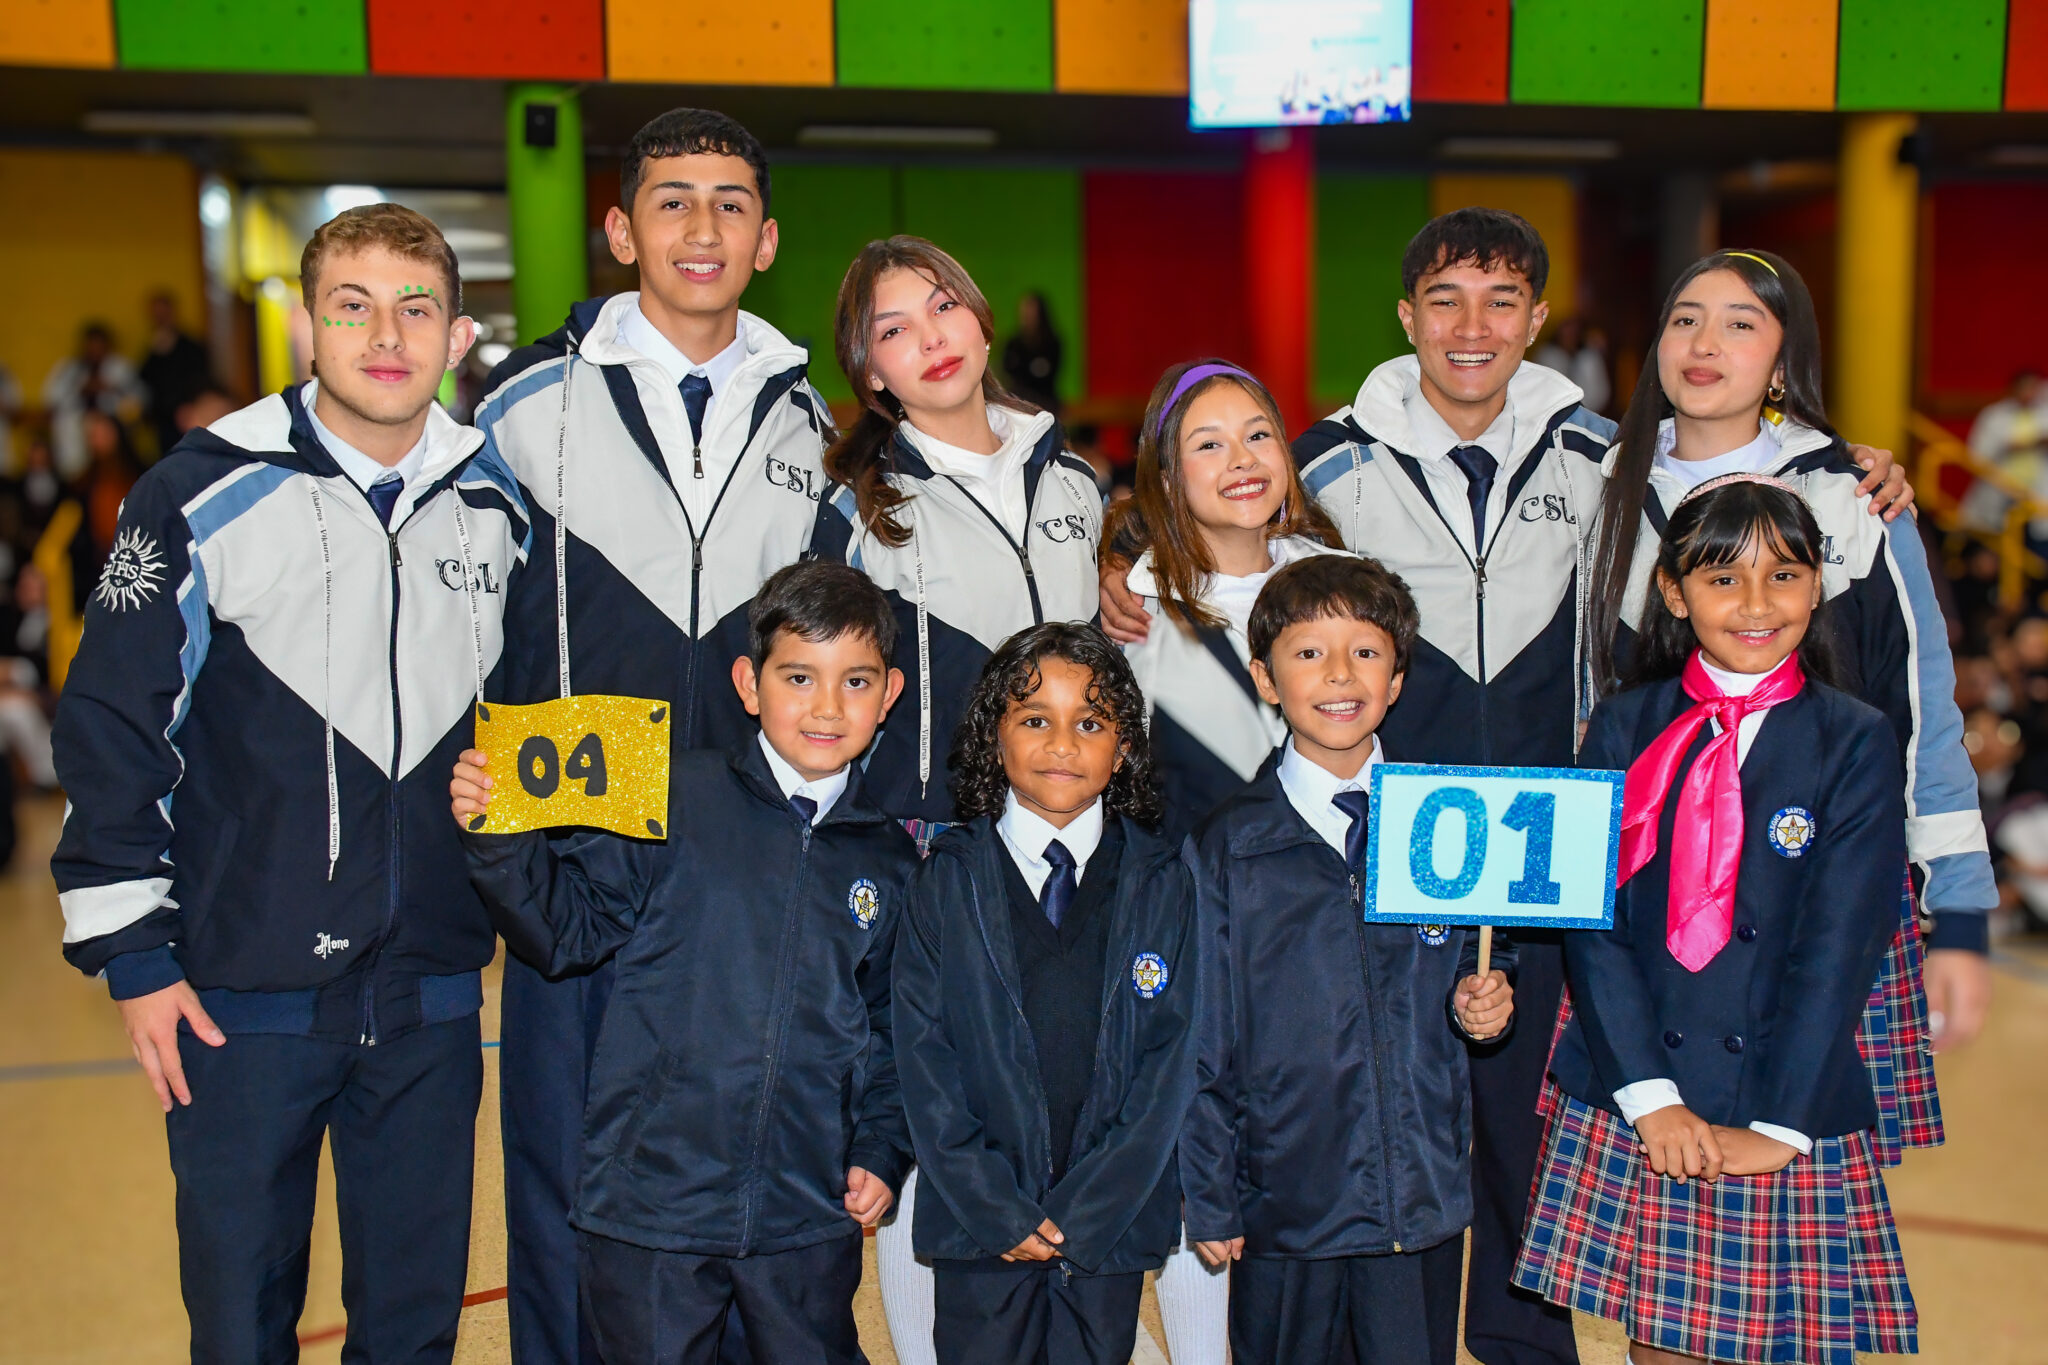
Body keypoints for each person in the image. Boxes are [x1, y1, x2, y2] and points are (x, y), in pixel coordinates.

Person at [1097, 208, 1913, 1365]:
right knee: (1360, 1120)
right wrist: (1123, 553)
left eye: (1499, 302)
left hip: (1553, 849)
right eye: (1442, 300)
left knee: (1524, 1155)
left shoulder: (1607, 458)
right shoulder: (1329, 457)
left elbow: (1729, 531)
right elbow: (1227, 533)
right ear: (1402, 318)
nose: (1469, 327)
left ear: (1536, 319)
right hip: (1382, 854)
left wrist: (1842, 465)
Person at [49, 202, 525, 1361]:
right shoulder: (202, 492)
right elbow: (114, 719)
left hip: (429, 1000)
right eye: (350, 305)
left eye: (417, 309)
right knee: (241, 1323)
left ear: (457, 339)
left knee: (410, 1332)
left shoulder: (497, 502)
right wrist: (137, 956)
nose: (384, 335)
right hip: (235, 1002)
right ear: (307, 328)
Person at [472, 107, 835, 1365]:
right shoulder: (519, 407)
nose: (701, 226)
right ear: (620, 227)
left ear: (768, 237)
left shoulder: (817, 432)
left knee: (745, 1198)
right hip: (582, 862)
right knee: (570, 1197)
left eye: (731, 202)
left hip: (745, 882)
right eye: (671, 199)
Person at [451, 561, 918, 1364]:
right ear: (748, 682)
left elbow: (894, 1029)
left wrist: (880, 1148)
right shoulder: (669, 797)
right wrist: (498, 840)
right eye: (799, 676)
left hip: (804, 1221)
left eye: (856, 681)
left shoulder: (893, 861)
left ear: (889, 694)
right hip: (650, 1210)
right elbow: (567, 932)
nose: (826, 706)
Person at [1589, 250, 1993, 1136]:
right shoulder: (1595, 485)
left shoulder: (1850, 497)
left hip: (1816, 893)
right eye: (1685, 318)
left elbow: (1922, 709)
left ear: (1783, 360)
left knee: (1789, 1226)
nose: (1705, 343)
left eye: (1742, 323)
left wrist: (1958, 913)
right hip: (1636, 906)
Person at [1516, 475, 1916, 1365]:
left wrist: (1776, 1126)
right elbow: (1594, 924)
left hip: (1781, 1091)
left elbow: (1838, 948)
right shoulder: (1621, 725)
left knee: (1785, 1347)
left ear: (1819, 583)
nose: (1756, 604)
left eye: (1784, 575)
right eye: (1723, 578)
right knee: (1659, 1349)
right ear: (1673, 590)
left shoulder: (1855, 739)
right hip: (1641, 1088)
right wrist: (1650, 1099)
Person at [809, 233, 1104, 1365]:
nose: (927, 337)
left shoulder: (1070, 479)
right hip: (931, 858)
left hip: (1070, 851)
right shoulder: (862, 502)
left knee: (1056, 1111)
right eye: (892, 328)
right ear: (870, 372)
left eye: (941, 308)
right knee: (929, 1129)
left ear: (982, 323)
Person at [1181, 553, 1516, 1365]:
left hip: (1420, 1198)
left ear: (1397, 678)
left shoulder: (1446, 822)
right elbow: (1199, 1035)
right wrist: (1211, 1192)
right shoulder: (1227, 844)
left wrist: (1486, 1001)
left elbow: (1479, 965)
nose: (1340, 673)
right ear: (1265, 677)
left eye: (1366, 651)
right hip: (1285, 1205)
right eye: (1308, 653)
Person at [893, 622, 1195, 1365]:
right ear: (994, 738)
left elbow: (1170, 1068)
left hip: (1108, 1232)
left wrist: (1086, 1215)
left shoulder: (1164, 882)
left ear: (1123, 746)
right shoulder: (946, 879)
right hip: (980, 1230)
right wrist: (998, 1209)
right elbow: (924, 1064)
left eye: (1089, 722)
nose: (1063, 743)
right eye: (1035, 719)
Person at [1109, 359, 1346, 845]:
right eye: (1210, 444)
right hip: (1196, 899)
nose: (1242, 459)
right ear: (1169, 477)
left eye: (1258, 436)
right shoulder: (1135, 613)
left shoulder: (1347, 588)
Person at [42, 321, 144, 478]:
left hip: (112, 429)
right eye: (91, 345)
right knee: (76, 473)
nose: (95, 350)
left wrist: (110, 388)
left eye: (99, 345)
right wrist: (80, 389)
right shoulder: (69, 368)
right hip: (75, 430)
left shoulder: (120, 367)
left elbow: (139, 398)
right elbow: (50, 399)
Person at [139, 289, 215, 457]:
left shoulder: (190, 346)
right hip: (162, 420)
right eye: (156, 314)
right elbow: (144, 379)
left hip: (188, 413)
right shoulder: (153, 349)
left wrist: (192, 406)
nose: (160, 318)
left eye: (163, 313)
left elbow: (200, 376)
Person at [1532, 316, 1612, 416]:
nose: (1570, 336)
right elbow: (1541, 387)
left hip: (1589, 412)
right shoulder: (1547, 355)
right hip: (1552, 413)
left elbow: (1601, 391)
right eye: (1567, 332)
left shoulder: (1589, 358)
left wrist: (1586, 411)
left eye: (1574, 332)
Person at [1001, 291, 1062, 414]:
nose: (1027, 314)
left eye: (1031, 310)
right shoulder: (1014, 344)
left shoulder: (1051, 343)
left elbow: (1047, 375)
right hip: (1018, 399)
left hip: (1046, 401)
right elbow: (1009, 371)